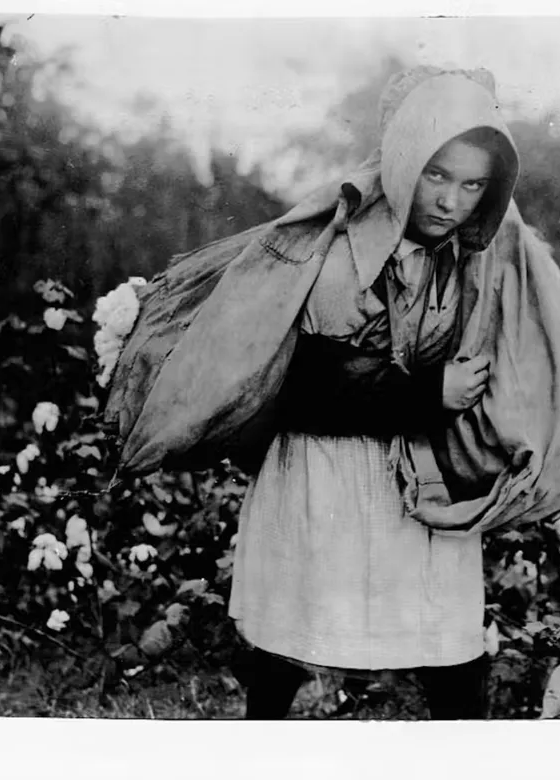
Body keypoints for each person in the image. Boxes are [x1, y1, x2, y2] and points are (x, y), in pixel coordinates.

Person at [228, 66, 520, 719]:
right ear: (402, 160)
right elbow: (299, 380)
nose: (451, 201)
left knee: (448, 637)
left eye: (472, 184)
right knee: (293, 631)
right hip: (327, 470)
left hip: (415, 473)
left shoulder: (466, 254)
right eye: (436, 175)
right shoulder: (343, 244)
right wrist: (427, 392)